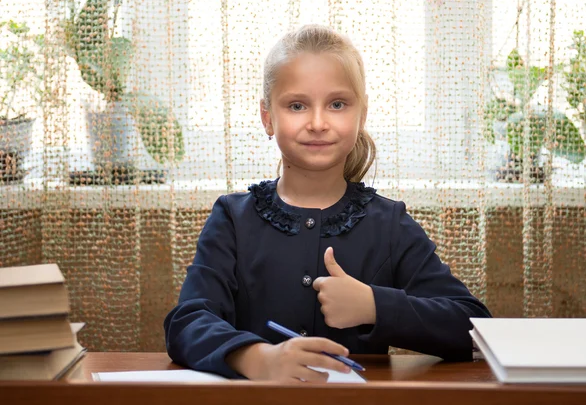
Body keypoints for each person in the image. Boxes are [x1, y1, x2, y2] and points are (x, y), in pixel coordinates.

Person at [164, 24, 492, 383]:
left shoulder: (390, 224)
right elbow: (188, 322)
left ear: (361, 115)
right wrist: (257, 359)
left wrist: (373, 305)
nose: (318, 123)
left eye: (337, 104)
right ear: (267, 117)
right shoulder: (232, 219)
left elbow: (473, 329)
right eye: (297, 105)